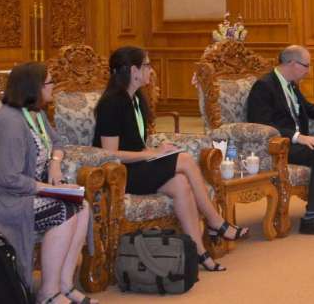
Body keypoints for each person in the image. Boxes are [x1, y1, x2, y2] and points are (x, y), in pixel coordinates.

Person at [92, 46, 246, 272]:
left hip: (137, 166)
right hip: (120, 174)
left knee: (181, 184)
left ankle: (199, 253)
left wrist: (155, 149)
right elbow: (110, 154)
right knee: (185, 159)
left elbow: (134, 143)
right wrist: (151, 154)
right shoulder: (112, 103)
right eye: (147, 65)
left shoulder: (135, 99)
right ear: (133, 70)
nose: (151, 70)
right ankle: (215, 221)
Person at [0, 63, 95, 304]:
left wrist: (55, 164)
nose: (53, 86)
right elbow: (7, 177)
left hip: (24, 190)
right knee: (63, 210)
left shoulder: (35, 115)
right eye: (50, 82)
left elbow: (57, 143)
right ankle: (48, 293)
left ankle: (65, 286)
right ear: (33, 87)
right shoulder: (10, 122)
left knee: (83, 206)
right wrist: (50, 189)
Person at [246, 45, 314, 236]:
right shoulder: (264, 86)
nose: (308, 70)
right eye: (306, 65)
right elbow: (262, 124)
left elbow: (304, 106)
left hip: (295, 142)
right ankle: (311, 218)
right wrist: (298, 137)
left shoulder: (290, 84)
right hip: (278, 146)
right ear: (292, 63)